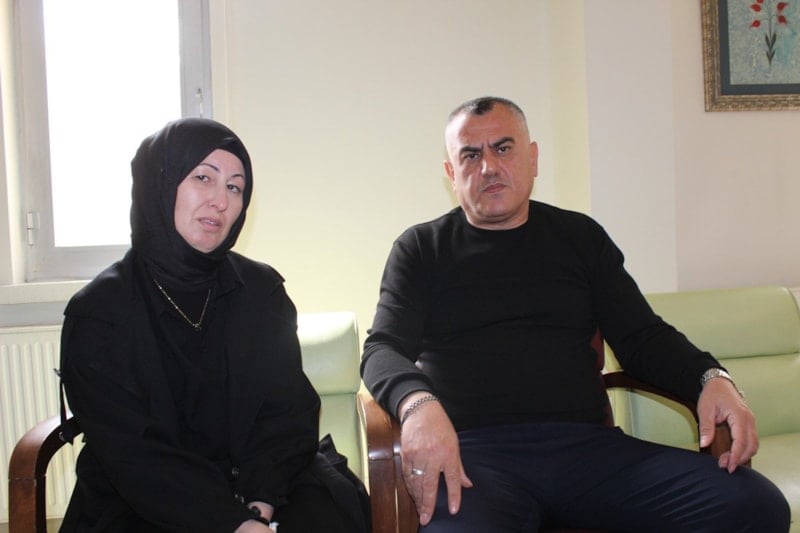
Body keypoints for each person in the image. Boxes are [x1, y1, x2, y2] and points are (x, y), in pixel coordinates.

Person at [361, 96, 790, 532]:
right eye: (470, 155)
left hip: (589, 453)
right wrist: (418, 405)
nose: (488, 167)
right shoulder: (421, 249)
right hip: (475, 459)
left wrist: (710, 377)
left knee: (755, 505)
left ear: (532, 158)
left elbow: (643, 337)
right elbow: (383, 349)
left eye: (503, 148)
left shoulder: (580, 238)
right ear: (452, 173)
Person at [59, 118, 368, 532]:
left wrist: (258, 507)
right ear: (159, 184)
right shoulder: (99, 314)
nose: (221, 201)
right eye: (203, 177)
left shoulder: (261, 292)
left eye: (235, 187)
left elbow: (287, 413)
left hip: (261, 483)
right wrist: (232, 523)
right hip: (145, 496)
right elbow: (132, 453)